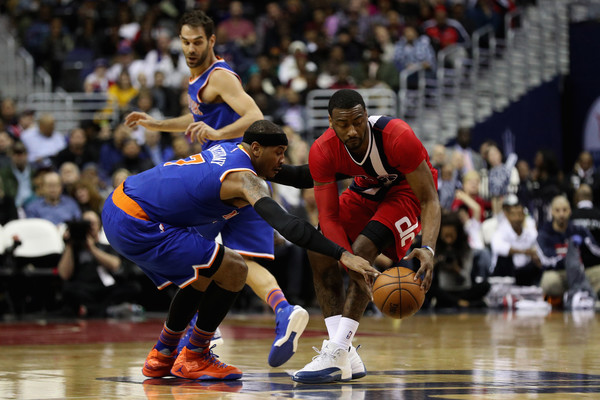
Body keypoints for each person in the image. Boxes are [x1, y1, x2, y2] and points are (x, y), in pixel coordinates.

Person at [101, 120, 378, 380]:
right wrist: (342, 254)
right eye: (279, 153)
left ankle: (162, 354)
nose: (282, 159)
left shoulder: (233, 150)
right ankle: (195, 356)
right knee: (235, 269)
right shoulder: (245, 179)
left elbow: (302, 175)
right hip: (138, 221)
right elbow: (286, 224)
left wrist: (366, 164)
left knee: (204, 274)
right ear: (256, 149)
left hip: (120, 203)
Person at [123, 9, 310, 368]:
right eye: (185, 42)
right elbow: (197, 120)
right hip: (246, 179)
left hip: (224, 176)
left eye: (197, 42)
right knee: (241, 261)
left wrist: (218, 134)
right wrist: (156, 123)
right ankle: (285, 311)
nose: (191, 48)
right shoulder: (197, 81)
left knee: (182, 250)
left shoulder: (220, 76)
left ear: (211, 41)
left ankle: (194, 330)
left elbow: (255, 116)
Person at [293, 89, 441, 383]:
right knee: (320, 249)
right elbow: (329, 217)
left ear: (366, 116)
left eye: (358, 121)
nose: (352, 130)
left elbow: (430, 200)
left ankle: (337, 349)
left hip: (407, 193)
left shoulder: (397, 136)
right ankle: (345, 354)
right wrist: (344, 257)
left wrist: (428, 247)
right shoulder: (323, 149)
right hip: (367, 190)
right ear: (330, 122)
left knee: (362, 250)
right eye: (343, 124)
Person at [57, 210, 141, 317]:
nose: (89, 227)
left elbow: (115, 265)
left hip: (106, 289)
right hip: (83, 288)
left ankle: (89, 310)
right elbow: (64, 274)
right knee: (67, 290)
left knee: (132, 287)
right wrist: (69, 244)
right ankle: (106, 311)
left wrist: (92, 248)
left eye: (92, 224)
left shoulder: (105, 246)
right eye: (86, 223)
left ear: (99, 226)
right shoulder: (73, 249)